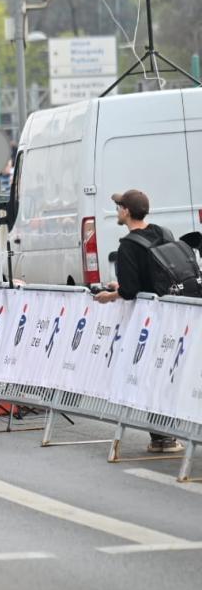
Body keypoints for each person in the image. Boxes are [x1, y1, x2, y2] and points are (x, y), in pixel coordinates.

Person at [94, 189, 196, 453]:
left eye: (118, 207)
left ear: (126, 211)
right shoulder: (163, 232)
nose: (117, 211)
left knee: (153, 375)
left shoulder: (129, 245)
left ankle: (162, 437)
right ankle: (172, 433)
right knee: (176, 374)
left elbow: (129, 290)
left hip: (152, 322)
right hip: (179, 314)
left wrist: (110, 295)